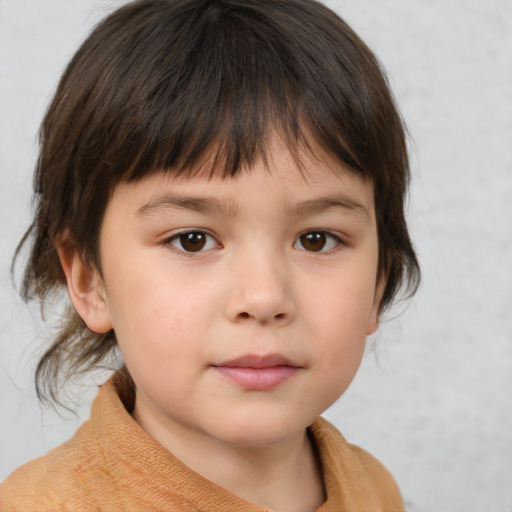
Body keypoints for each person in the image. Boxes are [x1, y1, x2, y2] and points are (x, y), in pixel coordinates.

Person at [0, 0, 420, 510]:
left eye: (316, 239)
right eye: (192, 239)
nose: (264, 298)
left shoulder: (373, 490)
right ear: (90, 280)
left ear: (380, 279)